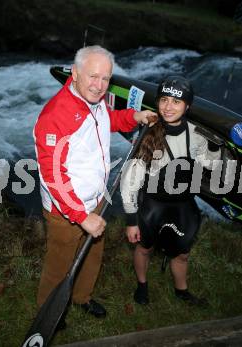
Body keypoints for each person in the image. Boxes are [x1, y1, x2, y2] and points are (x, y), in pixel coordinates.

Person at [33, 45, 157, 321]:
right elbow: (52, 176)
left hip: (96, 198)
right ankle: (50, 312)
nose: (99, 85)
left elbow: (105, 121)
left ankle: (81, 297)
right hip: (65, 209)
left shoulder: (95, 99)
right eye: (93, 76)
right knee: (59, 263)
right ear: (75, 73)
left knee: (91, 253)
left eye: (105, 78)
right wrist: (80, 216)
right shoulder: (55, 116)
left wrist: (132, 117)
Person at [120, 76, 221, 306]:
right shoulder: (148, 132)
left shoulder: (197, 134)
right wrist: (131, 218)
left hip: (183, 205)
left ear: (187, 106)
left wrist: (214, 147)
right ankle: (142, 285)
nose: (168, 107)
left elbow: (210, 165)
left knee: (182, 253)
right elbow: (131, 179)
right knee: (144, 248)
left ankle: (181, 291)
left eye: (176, 102)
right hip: (153, 204)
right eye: (164, 100)